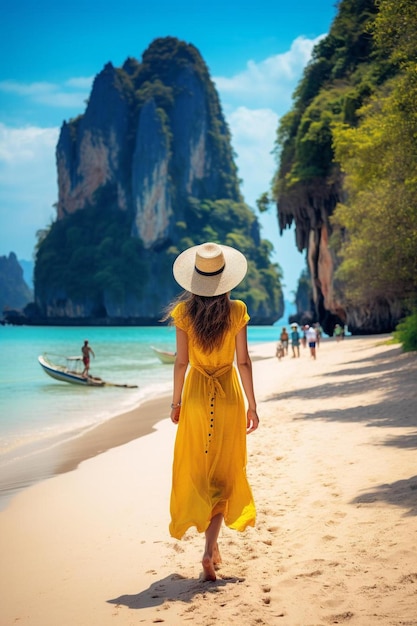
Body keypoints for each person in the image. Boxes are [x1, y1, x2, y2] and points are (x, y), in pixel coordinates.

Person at [166, 242, 259, 582]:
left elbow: (180, 363)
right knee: (225, 472)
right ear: (225, 278)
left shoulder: (183, 314)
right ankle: (210, 551)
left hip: (195, 395)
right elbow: (244, 361)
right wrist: (252, 404)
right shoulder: (237, 311)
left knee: (200, 471)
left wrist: (176, 403)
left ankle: (211, 548)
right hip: (229, 395)